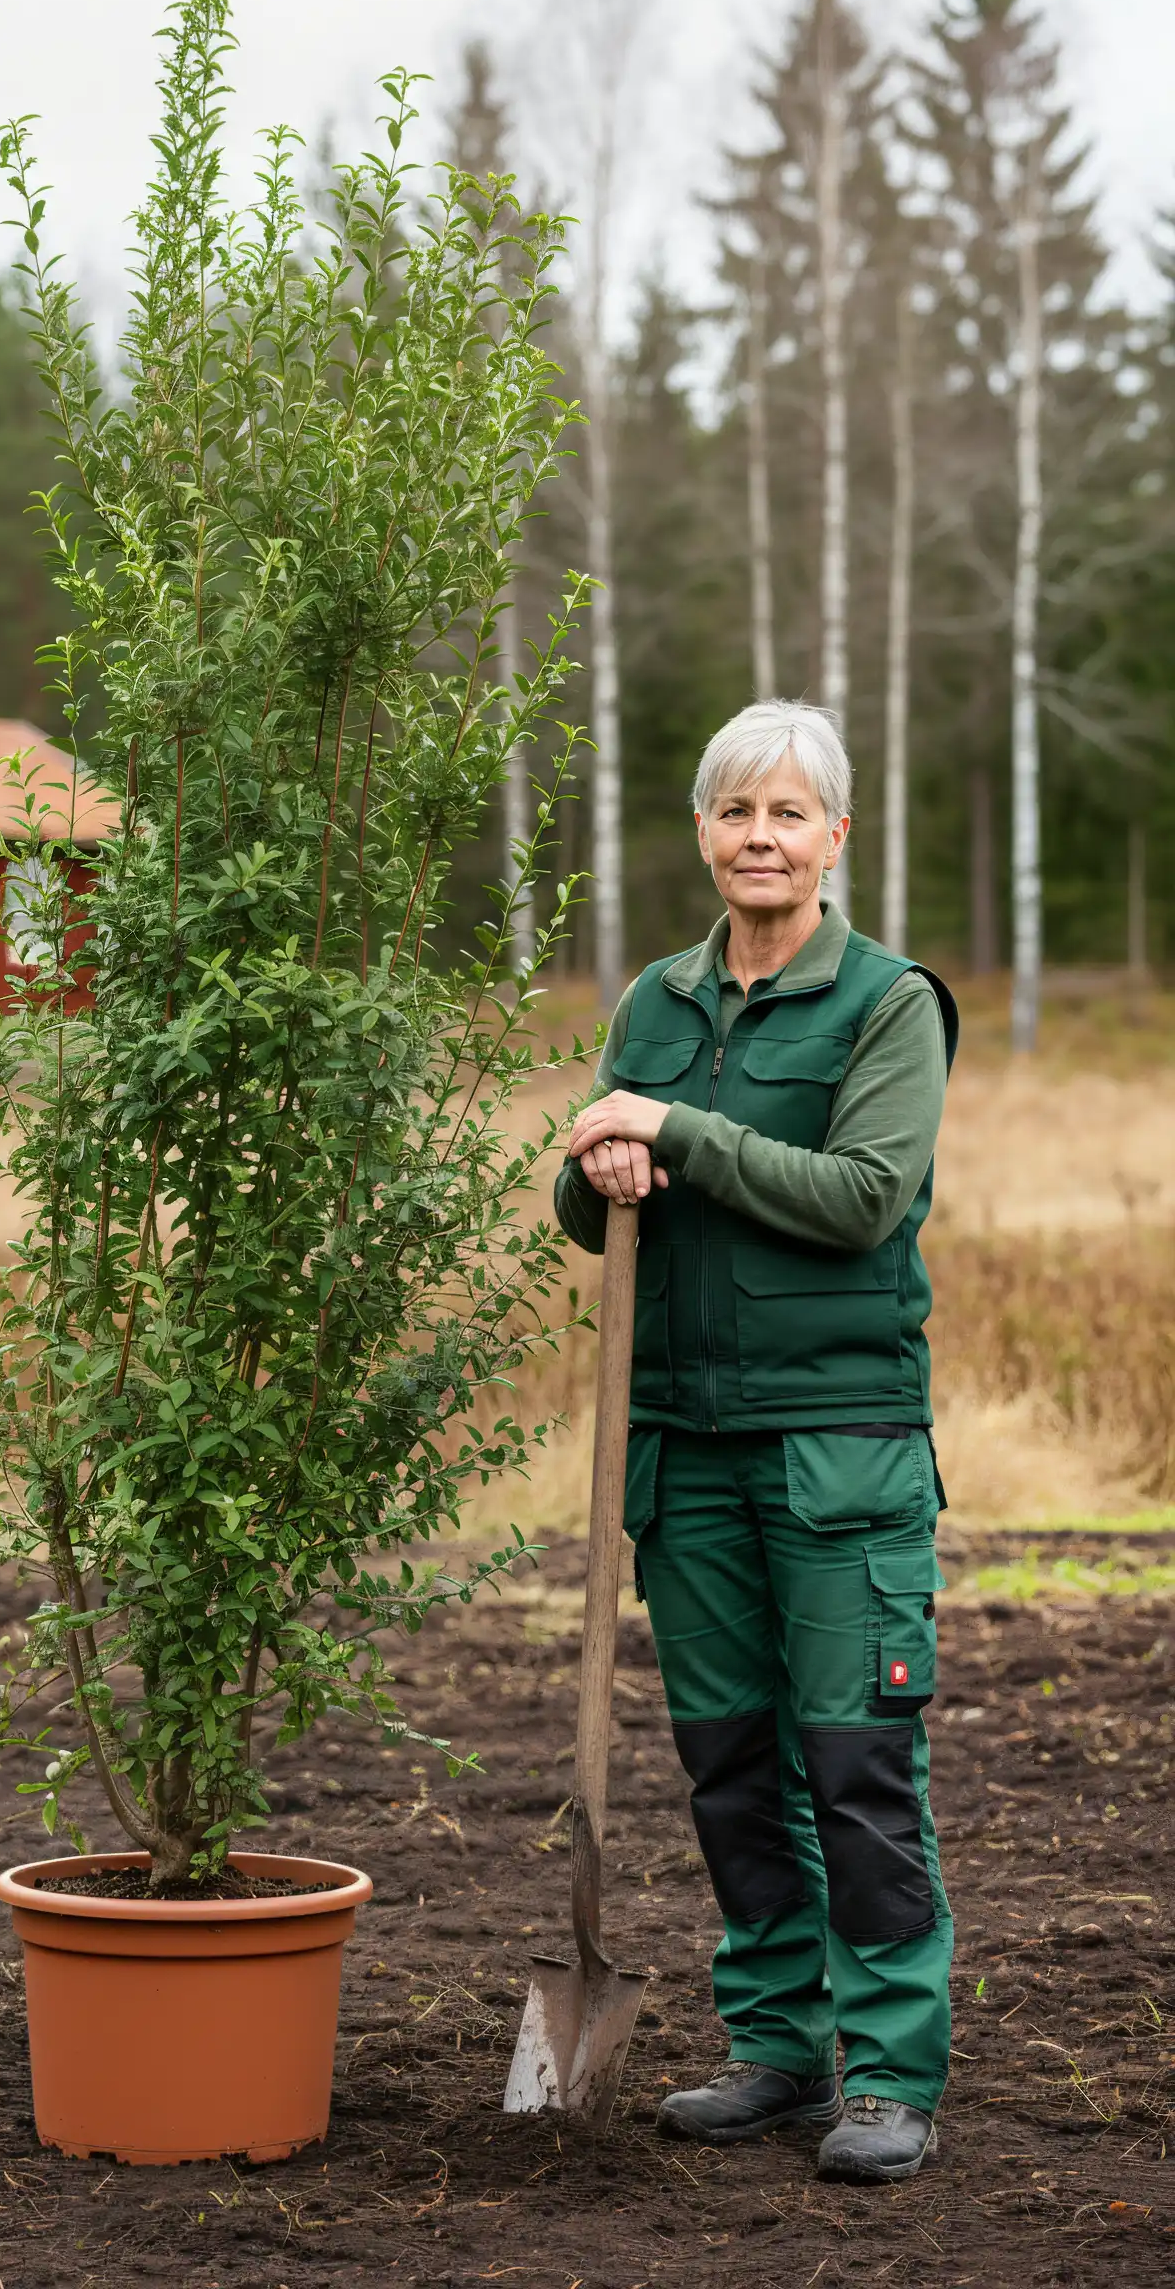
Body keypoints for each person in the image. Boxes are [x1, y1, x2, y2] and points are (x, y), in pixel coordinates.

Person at [554, 698, 957, 2186]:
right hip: (685, 1446)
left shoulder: (889, 1004)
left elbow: (862, 1197)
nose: (761, 837)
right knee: (730, 1765)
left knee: (855, 1761)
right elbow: (591, 1205)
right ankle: (778, 2049)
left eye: (789, 813)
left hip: (837, 1449)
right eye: (737, 811)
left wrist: (673, 1132)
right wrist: (597, 1161)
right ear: (704, 834)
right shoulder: (655, 1004)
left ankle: (891, 2070)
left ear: (835, 836)